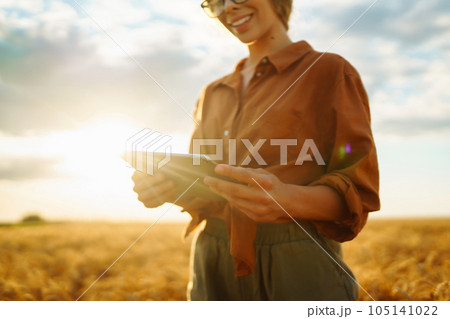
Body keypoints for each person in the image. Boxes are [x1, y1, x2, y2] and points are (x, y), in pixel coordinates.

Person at [131, 0, 380, 300]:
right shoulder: (213, 91)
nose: (228, 9)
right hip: (211, 256)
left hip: (297, 260)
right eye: (216, 3)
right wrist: (167, 188)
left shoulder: (329, 71)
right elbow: (204, 179)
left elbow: (358, 191)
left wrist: (288, 200)